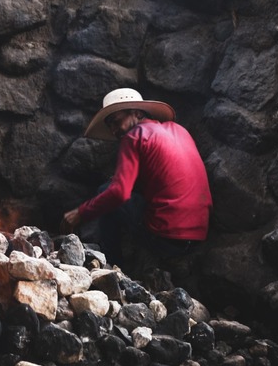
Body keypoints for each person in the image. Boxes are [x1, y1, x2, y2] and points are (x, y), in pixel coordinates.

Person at [60, 88, 212, 270]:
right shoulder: (180, 131)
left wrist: (79, 214)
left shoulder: (133, 137)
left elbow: (119, 193)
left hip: (167, 239)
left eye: (116, 122)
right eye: (110, 126)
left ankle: (112, 268)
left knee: (106, 192)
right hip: (198, 236)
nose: (115, 130)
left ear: (137, 113)